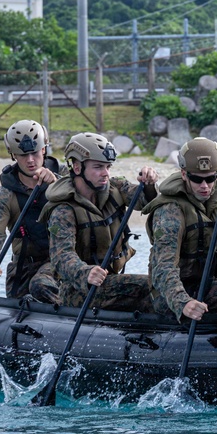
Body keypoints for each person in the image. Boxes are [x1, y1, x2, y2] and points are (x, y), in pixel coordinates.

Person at [39, 132, 159, 311]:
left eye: (108, 167)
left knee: (154, 285)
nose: (105, 174)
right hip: (78, 290)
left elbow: (143, 201)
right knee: (146, 287)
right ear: (77, 167)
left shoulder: (115, 187)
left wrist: (148, 183)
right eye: (98, 167)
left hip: (108, 280)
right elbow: (62, 257)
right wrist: (86, 272)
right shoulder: (63, 209)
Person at [143, 137, 217, 322]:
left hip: (210, 283)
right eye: (196, 179)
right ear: (183, 175)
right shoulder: (170, 211)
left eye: (210, 178)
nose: (204, 186)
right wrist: (183, 303)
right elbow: (163, 268)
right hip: (175, 295)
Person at [0, 119, 62, 304]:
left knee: (41, 285)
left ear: (44, 149)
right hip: (25, 267)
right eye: (23, 155)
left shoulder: (67, 179)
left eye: (34, 153)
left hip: (64, 259)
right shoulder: (5, 194)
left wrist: (57, 185)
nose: (30, 160)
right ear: (13, 155)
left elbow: (88, 200)